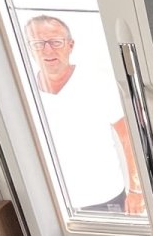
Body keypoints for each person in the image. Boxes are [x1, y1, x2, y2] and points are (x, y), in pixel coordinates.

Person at [23, 14, 145, 216]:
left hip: (104, 198)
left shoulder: (99, 82)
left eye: (56, 42)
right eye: (38, 43)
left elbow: (129, 137)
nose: (48, 50)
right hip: (49, 202)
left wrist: (136, 189)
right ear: (29, 48)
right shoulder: (20, 89)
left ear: (70, 45)